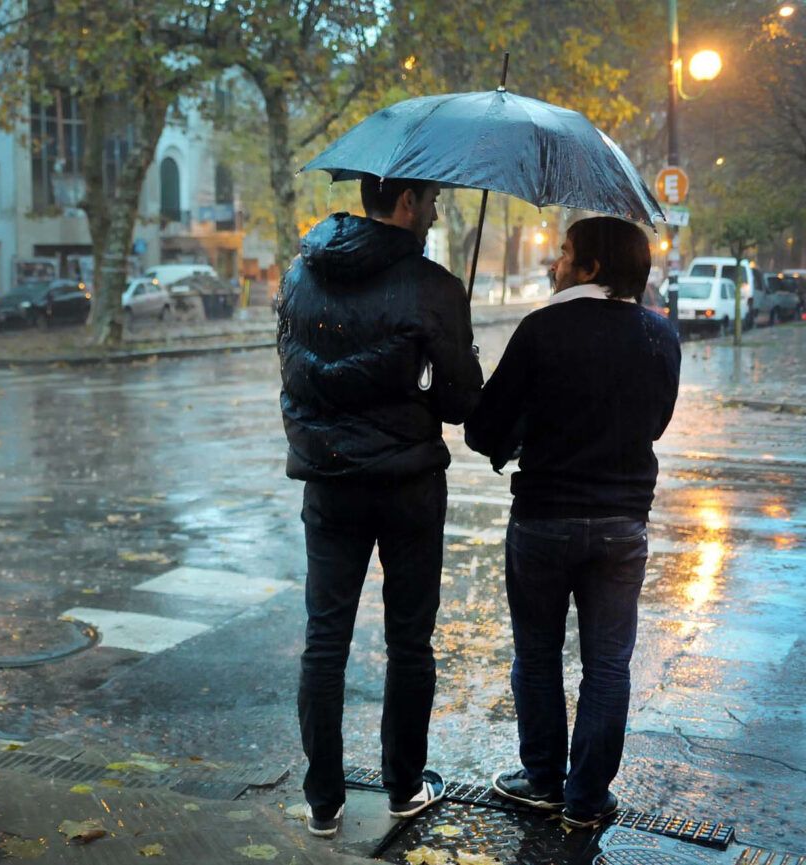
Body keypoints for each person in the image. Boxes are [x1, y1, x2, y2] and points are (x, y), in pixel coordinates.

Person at [276, 175, 482, 837]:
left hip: (329, 481)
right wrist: (454, 350)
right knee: (409, 641)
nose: (435, 211)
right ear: (405, 203)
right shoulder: (435, 286)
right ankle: (402, 787)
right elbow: (459, 403)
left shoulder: (299, 277)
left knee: (325, 640)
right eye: (431, 200)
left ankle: (323, 802)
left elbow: (294, 378)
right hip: (409, 489)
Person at [464, 216, 680, 831]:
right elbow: (656, 423)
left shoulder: (541, 329)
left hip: (543, 520)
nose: (555, 264)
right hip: (621, 524)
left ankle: (542, 782)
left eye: (564, 254)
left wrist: (506, 416)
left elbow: (483, 430)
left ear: (590, 266)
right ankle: (587, 799)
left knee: (537, 656)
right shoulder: (660, 336)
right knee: (608, 665)